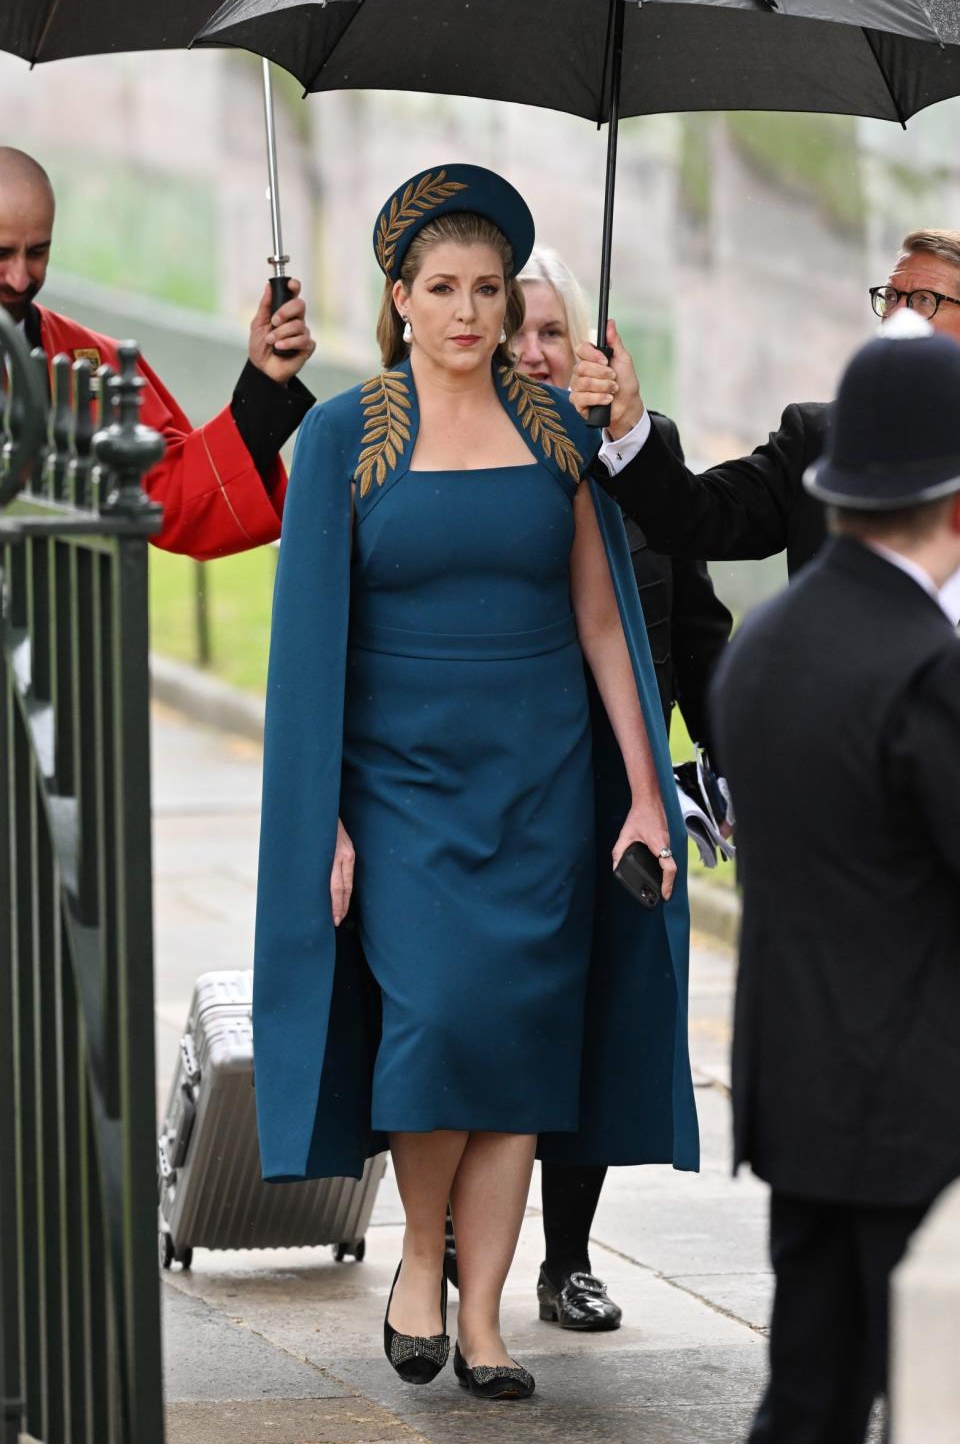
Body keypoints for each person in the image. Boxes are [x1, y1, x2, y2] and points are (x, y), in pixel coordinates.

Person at [253, 165, 699, 1402]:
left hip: (543, 780)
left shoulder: (556, 433)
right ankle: (417, 1262)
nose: (467, 312)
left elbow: (607, 626)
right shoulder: (344, 434)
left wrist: (645, 793)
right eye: (441, 289)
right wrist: (323, 815)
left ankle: (489, 1321)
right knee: (438, 1022)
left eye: (489, 290)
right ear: (399, 300)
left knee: (519, 1048)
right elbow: (304, 654)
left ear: (511, 305)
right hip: (400, 786)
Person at [447, 244, 725, 1333]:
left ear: (591, 350)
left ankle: (566, 1259)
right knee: (488, 1013)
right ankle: (449, 1251)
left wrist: (729, 755)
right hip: (502, 788)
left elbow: (698, 630)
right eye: (516, 327)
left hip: (620, 794)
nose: (533, 348)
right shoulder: (459, 461)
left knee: (604, 1016)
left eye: (553, 331)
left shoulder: (638, 465)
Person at [710, 314, 960, 1444]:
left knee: (809, 1391)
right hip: (916, 1108)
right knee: (929, 1395)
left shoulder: (767, 643)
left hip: (800, 1093)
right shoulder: (924, 667)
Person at [568, 228, 960, 617]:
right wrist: (628, 421)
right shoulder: (822, 438)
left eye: (925, 299)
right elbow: (699, 517)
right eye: (892, 296)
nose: (896, 313)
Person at [0, 146, 316, 556]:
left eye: (37, 252)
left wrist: (264, 383)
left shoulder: (91, 364)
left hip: (63, 614)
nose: (21, 278)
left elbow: (177, 496)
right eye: (2, 254)